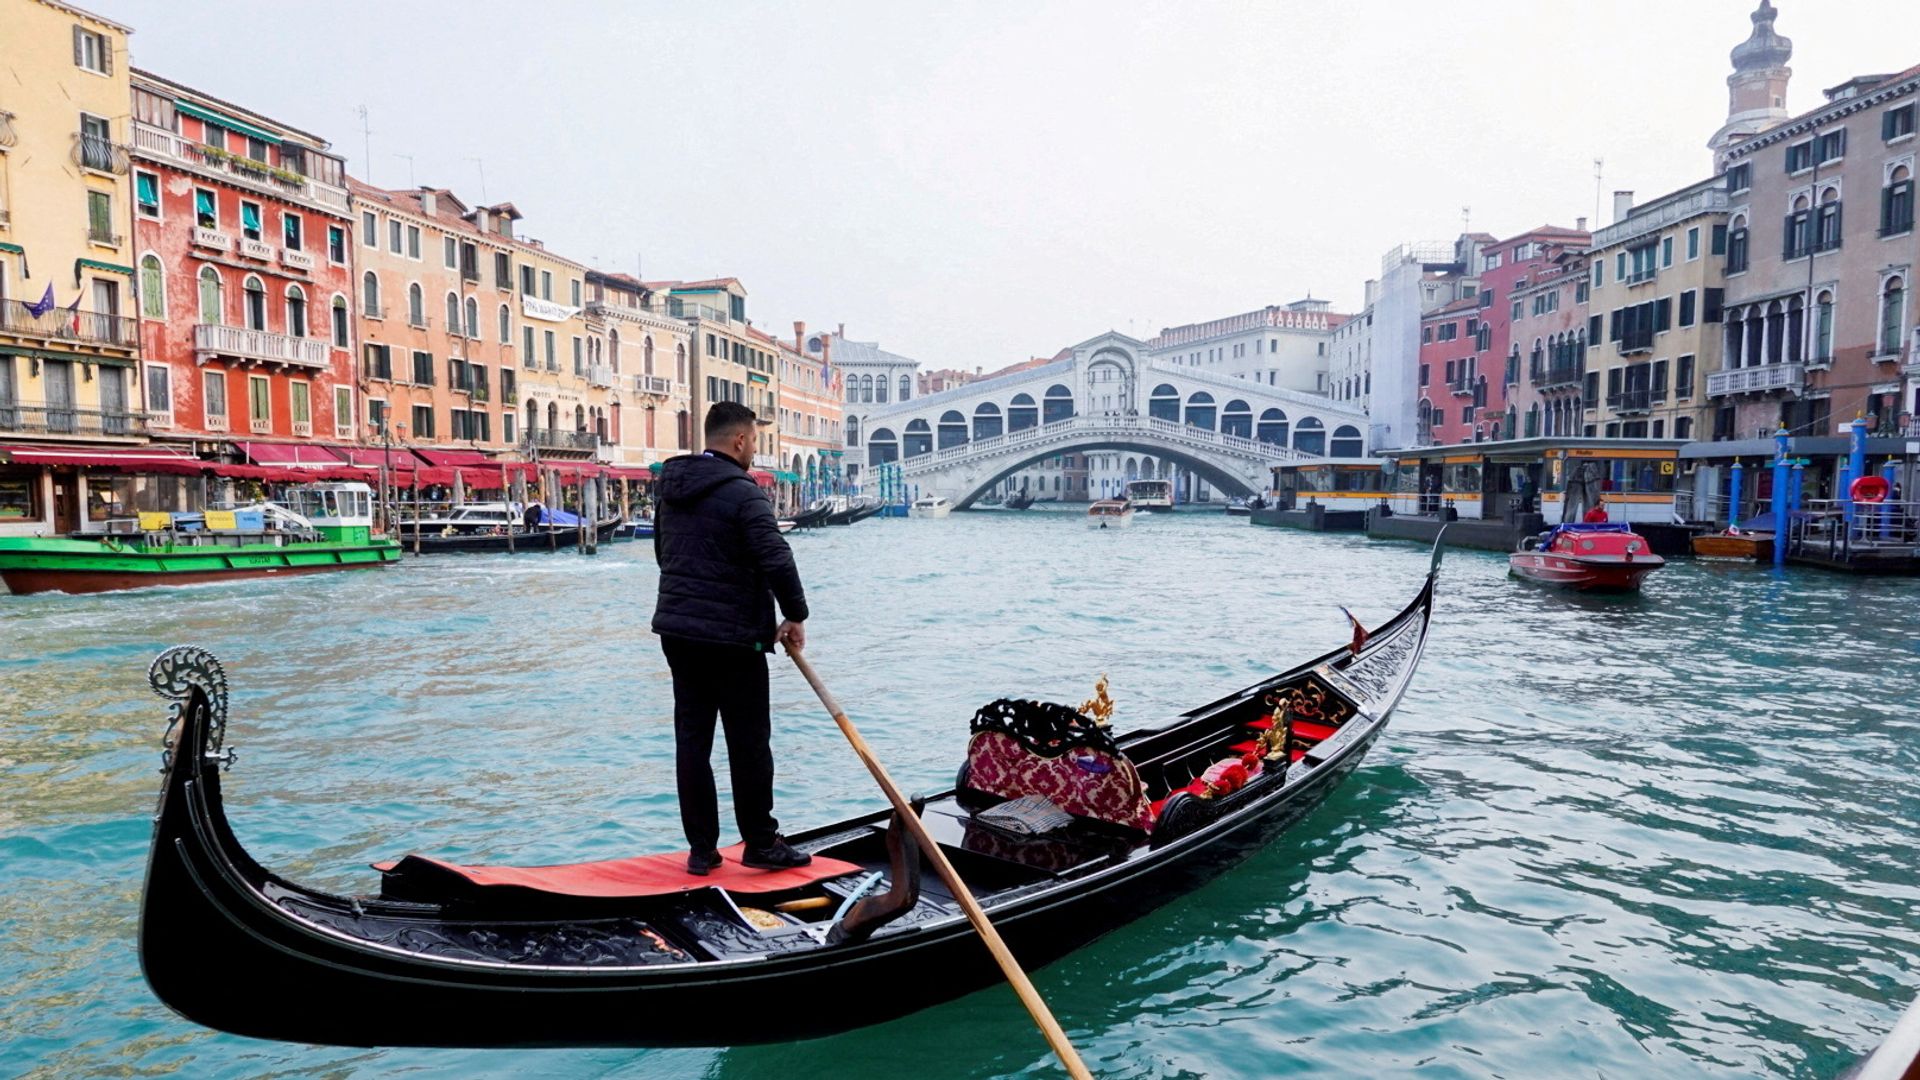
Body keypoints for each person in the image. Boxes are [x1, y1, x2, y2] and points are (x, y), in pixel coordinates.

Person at [653, 402, 812, 876]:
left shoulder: (672, 488)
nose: (755, 449)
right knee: (748, 743)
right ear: (740, 441)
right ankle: (761, 843)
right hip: (733, 639)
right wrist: (795, 615)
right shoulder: (744, 493)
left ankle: (702, 850)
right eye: (755, 441)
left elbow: (664, 553)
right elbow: (776, 558)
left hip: (679, 632)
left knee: (692, 741)